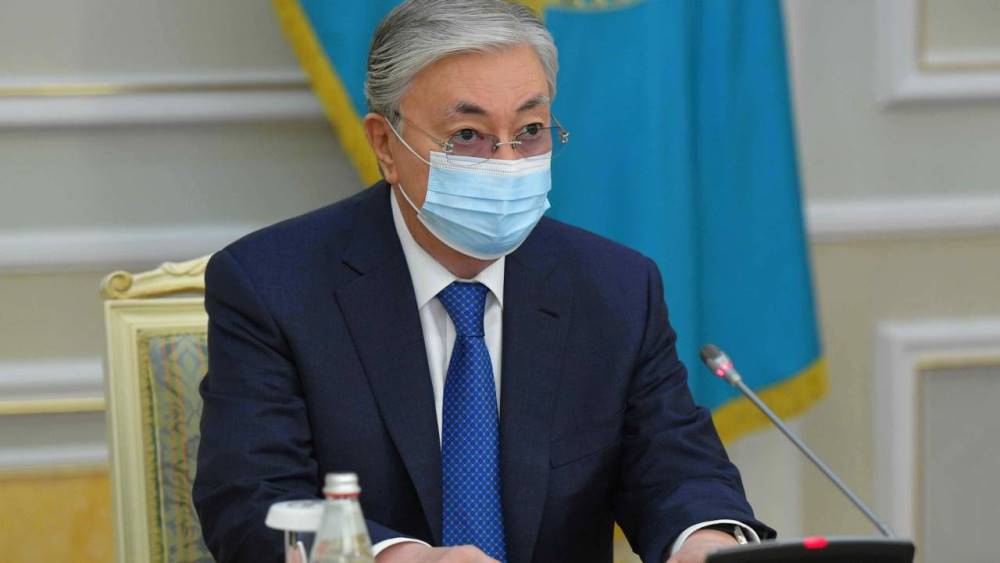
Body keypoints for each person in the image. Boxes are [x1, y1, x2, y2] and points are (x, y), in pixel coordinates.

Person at [193, 1, 774, 562]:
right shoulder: (273, 287)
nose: (507, 163)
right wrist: (400, 559)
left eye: (530, 130)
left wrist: (705, 541)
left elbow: (677, 469)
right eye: (468, 135)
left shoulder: (615, 287)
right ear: (385, 145)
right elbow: (253, 502)